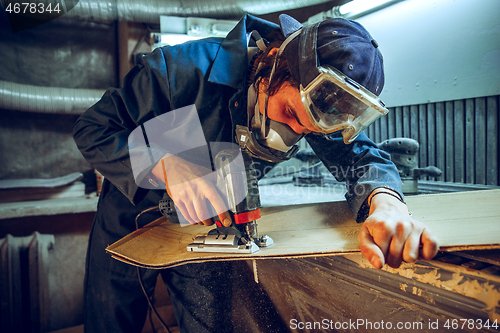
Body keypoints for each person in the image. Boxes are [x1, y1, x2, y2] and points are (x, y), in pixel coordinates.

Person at [73, 13, 439, 333]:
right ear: (274, 67)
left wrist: (388, 205)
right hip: (131, 216)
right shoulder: (181, 71)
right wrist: (164, 164)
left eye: (309, 132)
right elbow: (93, 130)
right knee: (111, 320)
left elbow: (363, 157)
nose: (291, 136)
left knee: (211, 323)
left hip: (213, 223)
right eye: (291, 116)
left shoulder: (313, 102)